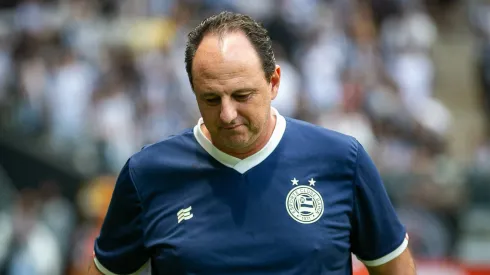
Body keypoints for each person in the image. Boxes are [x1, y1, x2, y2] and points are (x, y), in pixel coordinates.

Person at [89, 11, 416, 275]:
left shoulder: (342, 160)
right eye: (211, 98)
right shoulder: (147, 174)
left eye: (241, 95)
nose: (228, 114)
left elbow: (395, 268)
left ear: (273, 82)